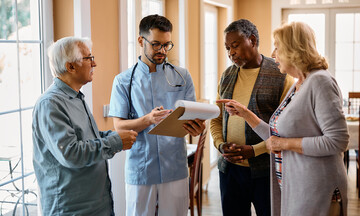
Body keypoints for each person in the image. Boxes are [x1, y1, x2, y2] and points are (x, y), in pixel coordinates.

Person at [218, 21, 349, 216]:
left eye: (277, 48)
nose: (273, 54)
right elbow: (274, 136)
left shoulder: (320, 81)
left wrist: (284, 144)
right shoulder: (299, 84)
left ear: (293, 50)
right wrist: (244, 113)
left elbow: (338, 141)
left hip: (318, 188)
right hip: (298, 185)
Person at [109, 14, 205, 216]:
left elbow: (192, 119)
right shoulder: (123, 81)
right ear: (140, 41)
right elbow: (118, 126)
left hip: (175, 168)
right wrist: (147, 120)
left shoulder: (182, 76)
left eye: (166, 45)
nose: (162, 51)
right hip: (141, 169)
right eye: (156, 45)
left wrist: (197, 127)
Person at [32, 37, 138, 215]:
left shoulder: (76, 97)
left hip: (96, 204)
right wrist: (115, 142)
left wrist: (117, 135)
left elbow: (88, 138)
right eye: (89, 58)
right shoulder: (50, 104)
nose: (94, 63)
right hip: (71, 208)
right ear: (70, 67)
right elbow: (71, 154)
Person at [210, 19, 294, 216]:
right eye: (227, 48)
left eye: (235, 45)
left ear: (253, 40)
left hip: (266, 172)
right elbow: (216, 118)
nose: (231, 53)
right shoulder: (227, 75)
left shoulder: (281, 75)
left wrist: (254, 151)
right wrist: (220, 144)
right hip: (229, 170)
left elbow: (286, 131)